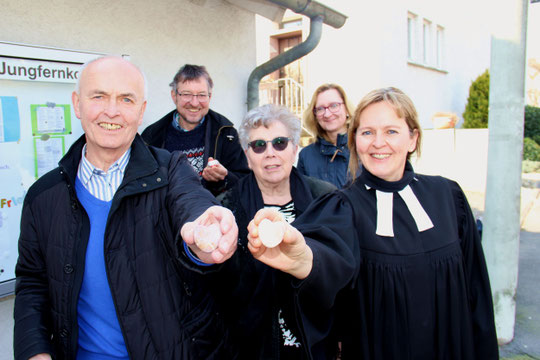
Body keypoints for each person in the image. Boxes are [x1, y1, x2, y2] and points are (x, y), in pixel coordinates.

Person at [13, 56, 239, 360]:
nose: (112, 110)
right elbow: (32, 284)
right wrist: (34, 350)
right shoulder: (43, 197)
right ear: (77, 104)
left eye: (126, 99)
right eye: (99, 96)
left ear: (141, 110)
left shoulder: (172, 171)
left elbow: (191, 201)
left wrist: (202, 229)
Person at [247, 87, 499, 359]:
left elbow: (477, 294)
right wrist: (304, 260)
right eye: (367, 132)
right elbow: (326, 259)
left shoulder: (449, 197)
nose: (379, 142)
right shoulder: (342, 206)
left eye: (391, 131)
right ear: (355, 141)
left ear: (412, 138)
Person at [212, 104, 336, 359]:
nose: (270, 153)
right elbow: (220, 287)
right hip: (249, 346)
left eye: (279, 143)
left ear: (295, 149)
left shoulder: (324, 199)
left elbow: (340, 272)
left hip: (314, 343)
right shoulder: (226, 206)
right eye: (259, 146)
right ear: (247, 156)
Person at [141, 64, 249, 195]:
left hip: (212, 213)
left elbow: (245, 182)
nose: (194, 103)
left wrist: (224, 177)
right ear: (174, 96)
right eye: (187, 94)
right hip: (166, 215)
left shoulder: (226, 134)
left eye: (202, 95)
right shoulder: (151, 136)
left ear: (210, 96)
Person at [297, 84, 355, 188]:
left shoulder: (362, 148)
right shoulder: (306, 156)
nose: (327, 114)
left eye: (334, 106)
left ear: (346, 108)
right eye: (320, 109)